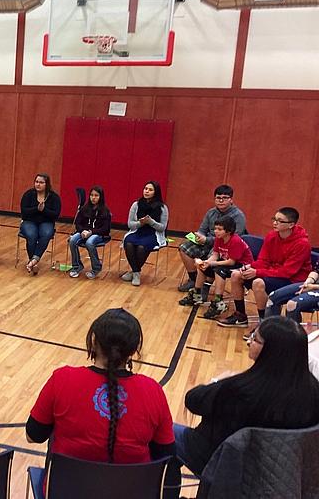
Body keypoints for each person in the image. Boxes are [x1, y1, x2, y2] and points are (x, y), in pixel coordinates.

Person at [26, 308, 178, 497]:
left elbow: (33, 436)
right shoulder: (153, 390)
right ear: (134, 349)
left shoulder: (63, 379)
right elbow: (167, 458)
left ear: (93, 341)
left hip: (65, 492)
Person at [173, 316, 319, 477]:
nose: (249, 342)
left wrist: (216, 381)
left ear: (271, 351)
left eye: (255, 339)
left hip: (223, 462)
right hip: (278, 474)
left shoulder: (241, 390)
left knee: (162, 432)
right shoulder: (313, 390)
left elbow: (193, 400)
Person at [218, 207, 311, 331]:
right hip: (273, 273)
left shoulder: (302, 244)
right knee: (236, 275)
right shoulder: (272, 236)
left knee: (258, 283)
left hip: (293, 281)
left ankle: (264, 323)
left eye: (280, 221)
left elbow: (287, 272)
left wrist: (257, 272)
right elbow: (263, 260)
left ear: (291, 225)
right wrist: (249, 268)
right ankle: (240, 316)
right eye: (274, 219)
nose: (275, 223)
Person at [178, 216, 253, 320]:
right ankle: (197, 294)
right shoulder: (219, 239)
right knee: (202, 267)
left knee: (219, 270)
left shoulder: (235, 241)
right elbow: (215, 255)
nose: (216, 231)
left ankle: (218, 301)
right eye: (215, 229)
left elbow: (231, 262)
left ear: (229, 231)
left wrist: (213, 264)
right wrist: (207, 262)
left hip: (242, 265)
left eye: (219, 229)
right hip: (229, 262)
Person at [177, 185, 247, 293]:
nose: (221, 200)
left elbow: (233, 239)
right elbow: (202, 229)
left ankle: (205, 286)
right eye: (218, 198)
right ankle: (193, 279)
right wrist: (199, 236)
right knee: (183, 247)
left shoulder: (238, 216)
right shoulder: (211, 212)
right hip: (207, 241)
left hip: (224, 246)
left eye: (224, 198)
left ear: (231, 200)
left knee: (212, 257)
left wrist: (207, 240)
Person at [120, 181, 169, 286]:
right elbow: (130, 224)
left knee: (142, 247)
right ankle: (136, 271)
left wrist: (150, 222)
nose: (146, 191)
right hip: (137, 231)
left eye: (150, 190)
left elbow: (162, 228)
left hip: (153, 233)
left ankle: (134, 272)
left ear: (156, 192)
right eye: (145, 188)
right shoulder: (136, 204)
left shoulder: (162, 208)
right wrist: (140, 223)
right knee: (129, 243)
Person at [19, 173, 61, 275]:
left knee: (46, 234)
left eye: (41, 182)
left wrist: (44, 210)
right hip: (29, 221)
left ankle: (33, 261)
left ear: (47, 184)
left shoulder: (54, 197)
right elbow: (24, 211)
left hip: (46, 222)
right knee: (31, 235)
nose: (38, 184)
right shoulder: (28, 194)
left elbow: (56, 214)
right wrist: (36, 209)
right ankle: (33, 262)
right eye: (36, 182)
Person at [67, 185, 111, 279]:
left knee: (89, 242)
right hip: (84, 232)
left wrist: (91, 232)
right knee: (72, 240)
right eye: (91, 195)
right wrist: (82, 231)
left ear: (100, 197)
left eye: (96, 195)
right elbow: (78, 223)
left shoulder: (105, 211)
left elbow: (106, 229)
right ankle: (77, 266)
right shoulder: (84, 208)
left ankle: (96, 268)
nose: (93, 198)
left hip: (99, 234)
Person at [265, 259, 319, 324]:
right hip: (313, 284)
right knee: (273, 297)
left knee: (292, 304)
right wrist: (308, 281)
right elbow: (316, 271)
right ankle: (271, 331)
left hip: (315, 287)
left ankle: (293, 333)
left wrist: (313, 287)